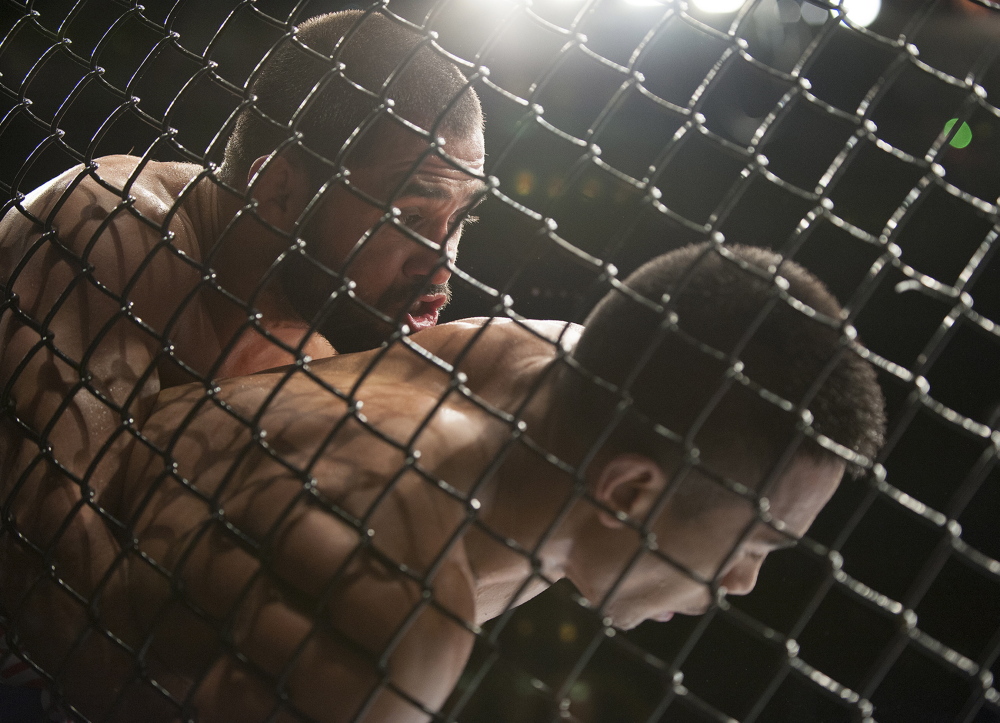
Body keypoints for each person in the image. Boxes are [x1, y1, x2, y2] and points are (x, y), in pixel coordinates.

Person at [71, 242, 882, 721]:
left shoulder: (543, 371)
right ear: (629, 495)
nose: (742, 583)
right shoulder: (394, 613)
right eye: (755, 543)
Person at [0, 9, 485, 719]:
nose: (441, 264)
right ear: (280, 188)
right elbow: (43, 556)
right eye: (411, 215)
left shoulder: (326, 350)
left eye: (461, 220)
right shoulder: (111, 227)